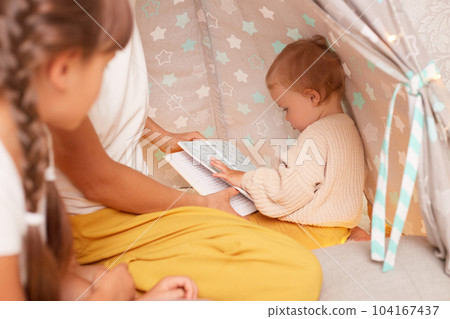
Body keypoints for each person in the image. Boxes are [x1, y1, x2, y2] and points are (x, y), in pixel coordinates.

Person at [51, 0, 322, 300]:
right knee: (297, 274)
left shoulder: (119, 10)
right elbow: (96, 178)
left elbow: (108, 108)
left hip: (136, 207)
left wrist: (165, 138)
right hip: (98, 224)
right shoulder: (61, 28)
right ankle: (112, 285)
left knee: (277, 237)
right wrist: (200, 204)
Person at [0, 0, 197, 301]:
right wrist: (109, 302)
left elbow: (49, 278)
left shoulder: (29, 144)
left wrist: (127, 299)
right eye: (104, 68)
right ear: (63, 69)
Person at [211, 35, 366, 250]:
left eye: (286, 109)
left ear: (313, 97)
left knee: (232, 224)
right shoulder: (347, 127)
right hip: (336, 230)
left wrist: (244, 178)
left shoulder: (316, 135)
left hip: (311, 231)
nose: (286, 118)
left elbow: (288, 191)